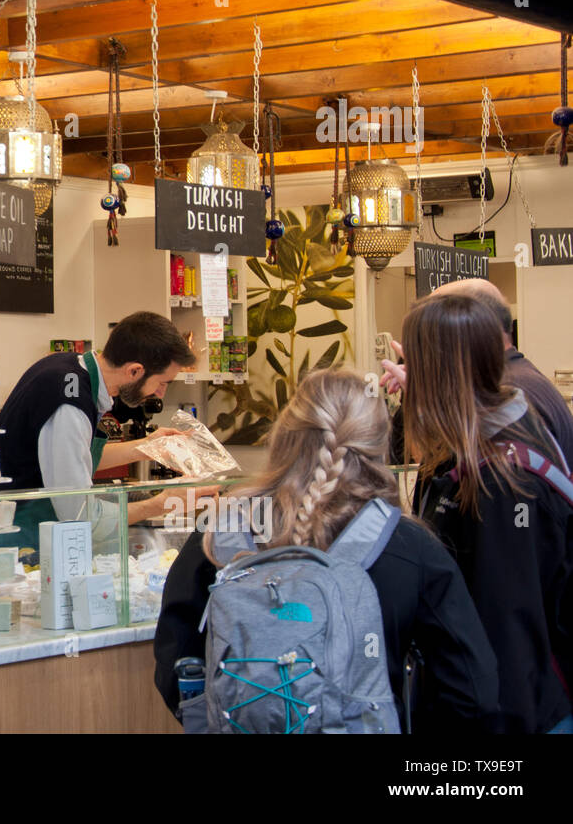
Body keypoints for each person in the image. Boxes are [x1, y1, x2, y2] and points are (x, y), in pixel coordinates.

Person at [154, 369, 500, 733]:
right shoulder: (407, 546)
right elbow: (473, 692)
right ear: (379, 444)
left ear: (283, 434)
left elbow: (175, 665)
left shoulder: (223, 531)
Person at [400, 292, 573, 733]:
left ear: (436, 369)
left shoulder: (502, 480)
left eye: (415, 362)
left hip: (513, 716)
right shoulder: (486, 444)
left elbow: (509, 629)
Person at [0, 311, 200, 550]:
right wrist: (161, 504)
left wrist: (149, 448)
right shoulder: (69, 404)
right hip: (21, 540)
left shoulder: (66, 365)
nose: (161, 393)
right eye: (162, 383)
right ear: (134, 371)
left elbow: (71, 460)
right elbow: (79, 514)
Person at [382, 278, 573, 471]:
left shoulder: (504, 391)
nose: (429, 347)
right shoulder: (514, 379)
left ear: (472, 326)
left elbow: (463, 474)